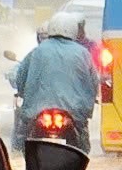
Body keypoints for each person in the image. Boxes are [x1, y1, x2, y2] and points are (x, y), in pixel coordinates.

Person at [7, 12, 98, 151]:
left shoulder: (37, 51)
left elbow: (21, 78)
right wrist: (88, 105)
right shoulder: (83, 54)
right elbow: (93, 83)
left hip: (36, 112)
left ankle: (25, 165)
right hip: (75, 115)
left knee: (22, 140)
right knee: (83, 147)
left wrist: (22, 93)